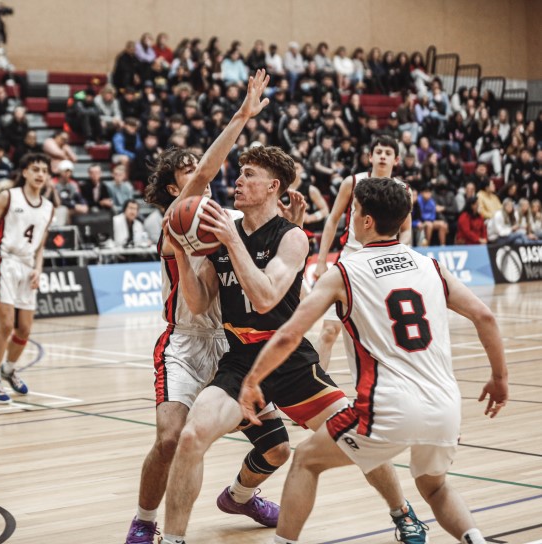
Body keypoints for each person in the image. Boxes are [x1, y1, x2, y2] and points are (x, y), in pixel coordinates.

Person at [160, 146, 424, 544]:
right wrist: (181, 249)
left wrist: (232, 242)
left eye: (248, 175)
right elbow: (197, 304)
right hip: (242, 360)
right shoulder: (218, 239)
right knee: (192, 436)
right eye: (240, 174)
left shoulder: (292, 237)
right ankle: (176, 538)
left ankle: (403, 513)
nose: (238, 181)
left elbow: (266, 297)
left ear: (272, 187)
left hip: (290, 360)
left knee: (358, 440)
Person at [238, 176, 508, 544]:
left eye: (354, 211)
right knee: (436, 489)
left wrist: (253, 379)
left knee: (306, 460)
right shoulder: (430, 265)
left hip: (388, 406)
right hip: (445, 407)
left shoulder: (345, 272)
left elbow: (289, 334)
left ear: (366, 221)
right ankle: (475, 539)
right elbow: (485, 317)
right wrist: (499, 379)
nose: (350, 216)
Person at [125, 71, 295, 544]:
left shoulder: (231, 221)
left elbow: (272, 245)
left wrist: (290, 220)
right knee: (169, 440)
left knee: (278, 448)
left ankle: (240, 496)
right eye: (190, 170)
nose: (204, 173)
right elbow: (203, 178)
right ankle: (143, 521)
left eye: (199, 166)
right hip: (183, 343)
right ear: (175, 188)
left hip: (229, 345)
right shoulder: (173, 223)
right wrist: (242, 115)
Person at [313, 136, 412, 370]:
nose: (383, 156)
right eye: (378, 151)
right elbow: (333, 219)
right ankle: (316, 393)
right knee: (329, 330)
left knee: (377, 337)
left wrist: (403, 252)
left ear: (396, 160)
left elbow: (407, 230)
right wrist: (320, 261)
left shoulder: (403, 190)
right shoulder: (353, 182)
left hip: (383, 264)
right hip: (350, 260)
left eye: (388, 153)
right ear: (370, 156)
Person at [0, 153, 54, 404]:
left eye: (44, 170)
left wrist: (39, 269)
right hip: (4, 262)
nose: (40, 174)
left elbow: (41, 245)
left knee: (25, 329)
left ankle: (9, 369)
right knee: (6, 325)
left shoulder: (49, 207)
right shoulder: (8, 196)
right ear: (25, 172)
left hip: (27, 267)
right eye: (35, 169)